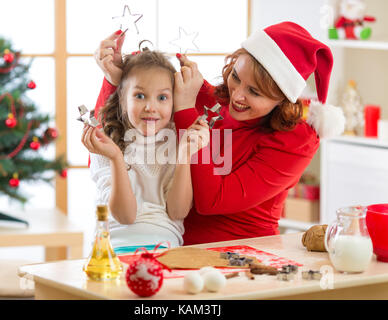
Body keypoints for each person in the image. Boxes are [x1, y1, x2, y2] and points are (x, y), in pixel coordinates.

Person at [94, 22, 345, 246]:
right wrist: (114, 78)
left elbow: (211, 201)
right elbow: (113, 138)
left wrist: (183, 110)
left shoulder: (295, 141)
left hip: (242, 255)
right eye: (236, 76)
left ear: (282, 99)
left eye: (254, 92)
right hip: (170, 246)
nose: (237, 96)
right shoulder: (203, 96)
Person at [83, 31, 209, 253]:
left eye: (162, 98)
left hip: (167, 248)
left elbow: (178, 212)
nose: (151, 107)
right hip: (115, 249)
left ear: (173, 101)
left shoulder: (178, 140)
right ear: (123, 99)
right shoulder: (106, 142)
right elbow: (125, 215)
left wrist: (183, 156)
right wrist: (115, 157)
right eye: (140, 96)